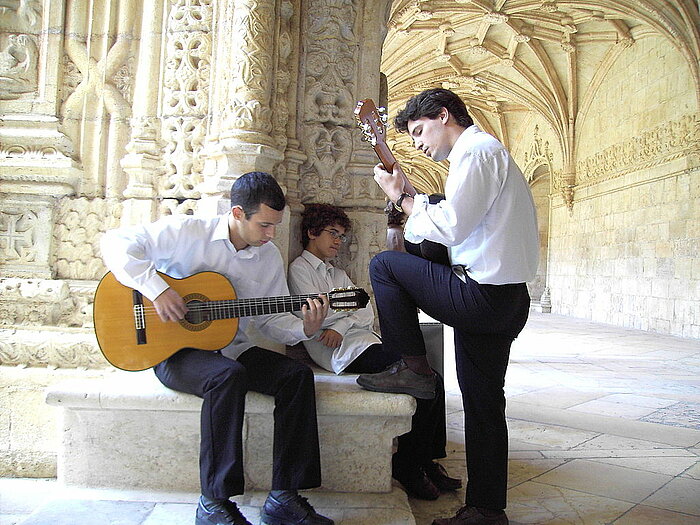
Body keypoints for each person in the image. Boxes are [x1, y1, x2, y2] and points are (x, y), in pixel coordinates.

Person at [100, 172, 335, 525]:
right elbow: (115, 243)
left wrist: (305, 328)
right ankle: (214, 503)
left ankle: (284, 498)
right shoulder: (187, 232)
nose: (272, 235)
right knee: (227, 377)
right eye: (265, 225)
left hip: (231, 347)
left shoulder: (266, 256)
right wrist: (158, 290)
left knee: (297, 376)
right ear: (238, 213)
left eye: (275, 226)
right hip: (171, 350)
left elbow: (269, 319)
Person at [355, 89, 539, 525]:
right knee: (484, 407)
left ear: (444, 115)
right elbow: (452, 227)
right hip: (508, 300)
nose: (417, 142)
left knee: (384, 267)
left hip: (483, 298)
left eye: (420, 131)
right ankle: (487, 509)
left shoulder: (475, 152)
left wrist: (401, 199)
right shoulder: (485, 154)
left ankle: (414, 368)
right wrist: (415, 203)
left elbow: (453, 228)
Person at [287, 203, 462, 500]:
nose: (338, 242)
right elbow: (315, 316)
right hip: (340, 352)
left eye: (342, 236)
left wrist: (341, 323)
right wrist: (342, 317)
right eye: (333, 234)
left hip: (359, 339)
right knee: (422, 377)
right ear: (311, 232)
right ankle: (407, 465)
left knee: (431, 376)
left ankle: (425, 460)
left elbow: (365, 309)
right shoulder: (300, 271)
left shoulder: (337, 273)